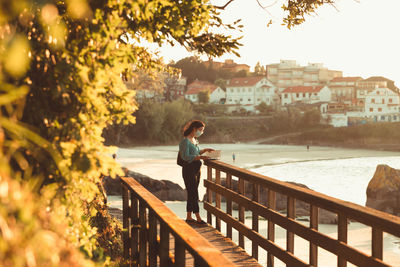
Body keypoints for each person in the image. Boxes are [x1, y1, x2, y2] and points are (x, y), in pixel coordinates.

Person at [178, 120, 214, 224]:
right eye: (200, 130)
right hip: (188, 169)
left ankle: (189, 216)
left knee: (191, 193)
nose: (201, 132)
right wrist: (199, 157)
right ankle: (198, 216)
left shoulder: (194, 140)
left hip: (196, 170)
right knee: (194, 193)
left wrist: (205, 150)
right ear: (194, 129)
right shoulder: (185, 141)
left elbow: (196, 151)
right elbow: (185, 156)